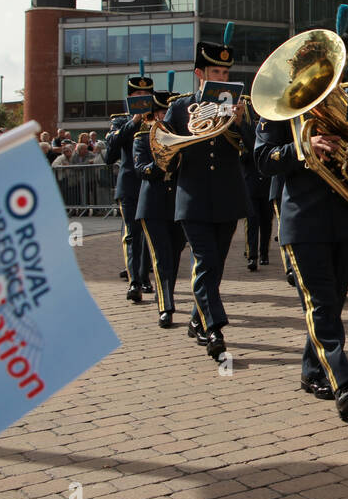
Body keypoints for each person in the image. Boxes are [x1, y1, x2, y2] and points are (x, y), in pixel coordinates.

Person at [254, 57, 348, 420]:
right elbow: (262, 159)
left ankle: (311, 370)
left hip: (346, 219)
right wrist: (303, 148)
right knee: (321, 303)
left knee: (331, 304)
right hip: (304, 223)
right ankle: (343, 384)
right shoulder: (281, 109)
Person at [164, 40, 255, 359]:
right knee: (204, 261)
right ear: (200, 74)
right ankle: (214, 328)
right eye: (215, 71)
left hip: (228, 196)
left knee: (214, 265)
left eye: (226, 72)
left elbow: (254, 148)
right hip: (194, 198)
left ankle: (196, 319)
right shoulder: (180, 107)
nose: (222, 76)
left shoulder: (239, 104)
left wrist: (242, 122)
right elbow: (165, 152)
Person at [133, 92, 187, 328]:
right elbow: (142, 170)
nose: (165, 116)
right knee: (162, 256)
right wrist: (162, 161)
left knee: (175, 254)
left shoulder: (182, 137)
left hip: (176, 203)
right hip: (152, 204)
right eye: (162, 113)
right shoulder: (142, 138)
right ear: (154, 115)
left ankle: (165, 294)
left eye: (168, 112)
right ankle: (166, 307)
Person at [106, 72, 154, 303]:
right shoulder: (120, 121)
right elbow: (110, 153)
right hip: (129, 185)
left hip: (151, 182)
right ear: (130, 97)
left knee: (149, 233)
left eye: (147, 94)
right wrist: (134, 122)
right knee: (132, 233)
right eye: (138, 94)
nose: (143, 97)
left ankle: (144, 276)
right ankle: (135, 280)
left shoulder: (158, 118)